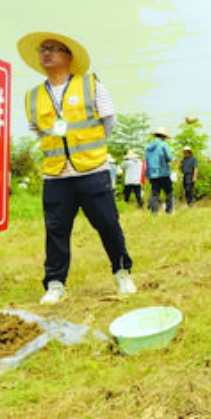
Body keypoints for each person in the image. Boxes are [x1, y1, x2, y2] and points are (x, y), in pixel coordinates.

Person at [17, 31, 135, 305]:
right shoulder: (32, 96)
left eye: (53, 48)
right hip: (56, 174)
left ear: (69, 56)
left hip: (92, 170)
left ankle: (122, 273)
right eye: (43, 49)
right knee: (56, 230)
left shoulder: (91, 84)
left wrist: (91, 150)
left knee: (108, 224)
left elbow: (108, 122)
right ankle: (55, 284)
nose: (46, 53)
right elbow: (39, 131)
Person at [144, 126, 175, 215]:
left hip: (152, 173)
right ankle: (169, 211)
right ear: (163, 136)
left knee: (155, 193)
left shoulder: (148, 146)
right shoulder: (163, 144)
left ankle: (154, 212)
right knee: (168, 192)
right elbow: (169, 157)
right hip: (163, 171)